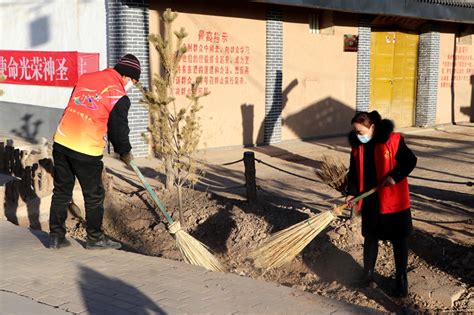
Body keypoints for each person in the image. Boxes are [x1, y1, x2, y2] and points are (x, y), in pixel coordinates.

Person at [48, 54, 141, 250]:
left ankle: (56, 237)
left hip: (62, 140)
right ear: (127, 76)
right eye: (133, 81)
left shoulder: (86, 78)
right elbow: (118, 128)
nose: (131, 85)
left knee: (62, 190)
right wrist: (124, 151)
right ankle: (95, 238)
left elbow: (75, 105)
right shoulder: (118, 95)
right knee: (93, 195)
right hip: (85, 148)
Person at [345, 110, 417, 298]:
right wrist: (351, 193)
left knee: (399, 240)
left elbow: (410, 161)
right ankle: (367, 273)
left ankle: (401, 280)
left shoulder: (392, 140)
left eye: (361, 132)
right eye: (355, 132)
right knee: (370, 237)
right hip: (370, 200)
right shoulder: (357, 147)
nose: (358, 136)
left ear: (372, 127)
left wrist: (395, 176)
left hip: (394, 201)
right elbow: (353, 172)